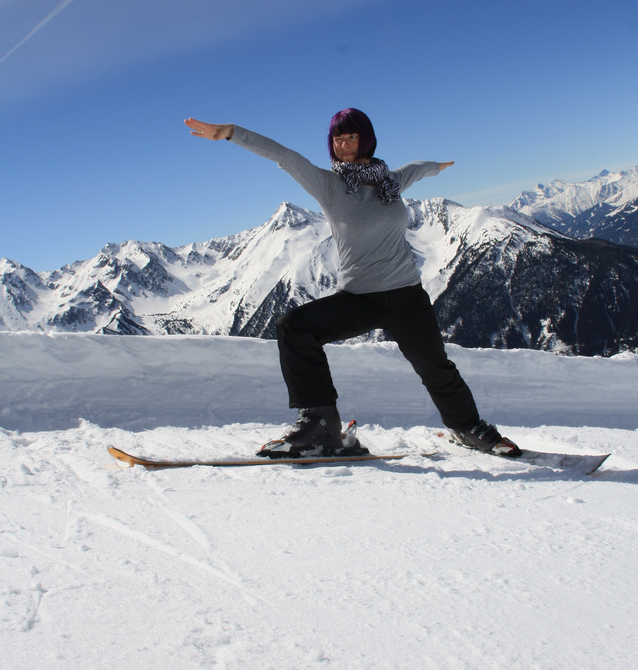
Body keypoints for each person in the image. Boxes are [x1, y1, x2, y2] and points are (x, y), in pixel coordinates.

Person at [185, 109, 520, 458]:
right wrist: (230, 132)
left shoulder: (390, 181)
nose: (344, 145)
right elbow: (285, 157)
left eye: (352, 137)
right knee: (293, 327)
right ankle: (321, 424)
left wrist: (438, 166)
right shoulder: (330, 186)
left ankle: (466, 426)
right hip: (360, 298)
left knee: (436, 368)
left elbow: (415, 170)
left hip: (407, 297)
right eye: (337, 139)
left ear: (366, 140)